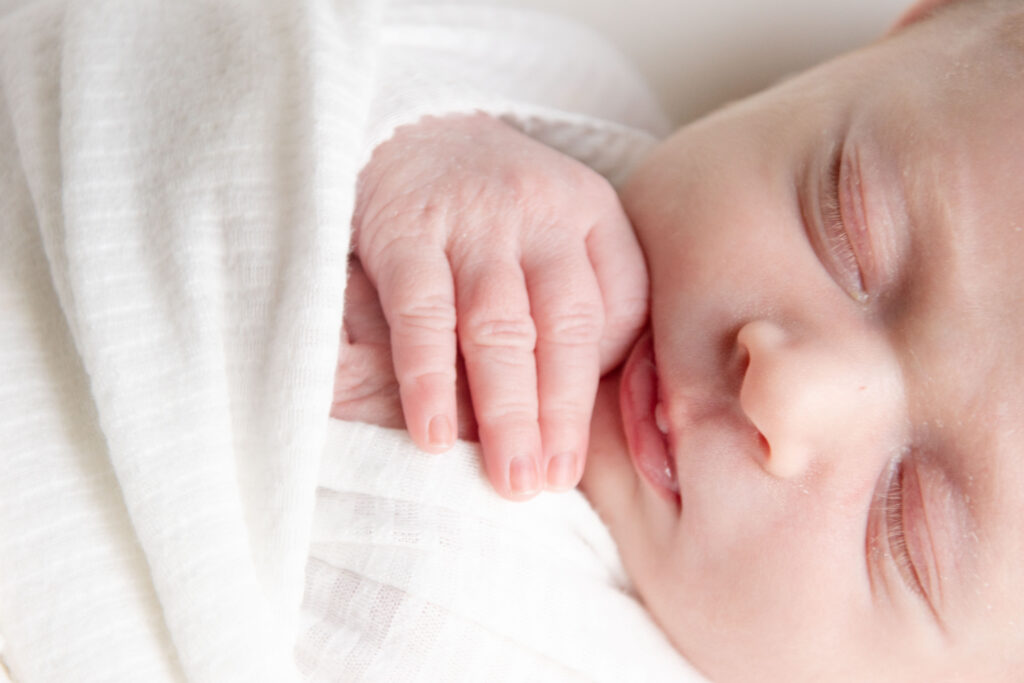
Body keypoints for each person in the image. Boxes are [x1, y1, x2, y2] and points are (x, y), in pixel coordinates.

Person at [337, 0, 1024, 678]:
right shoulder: (542, 97)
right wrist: (401, 143)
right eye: (847, 226)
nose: (784, 391)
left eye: (906, 527)